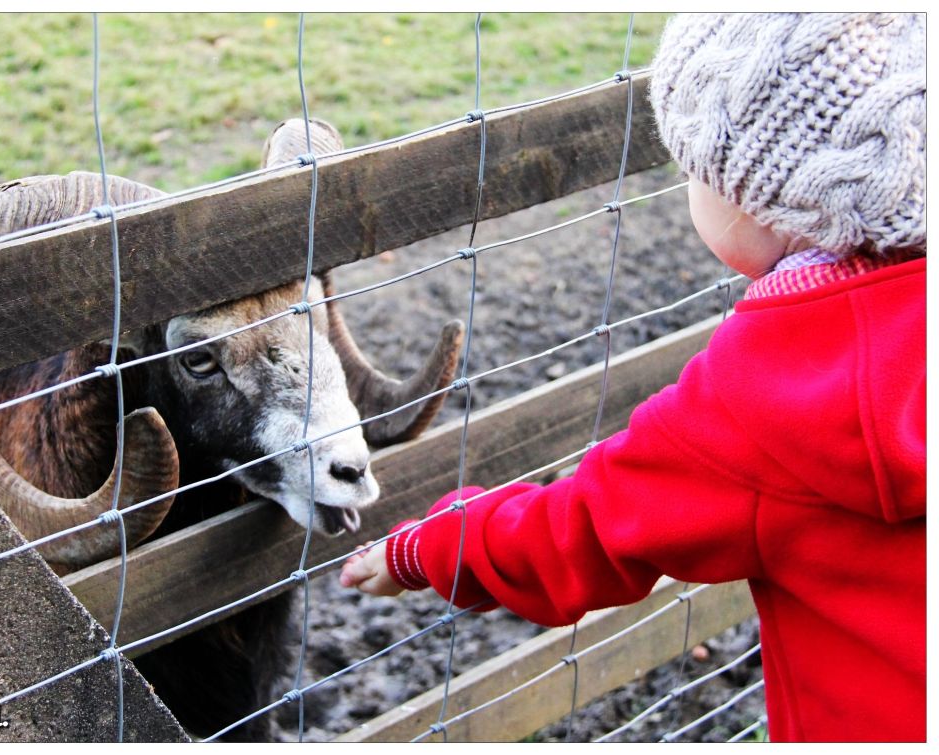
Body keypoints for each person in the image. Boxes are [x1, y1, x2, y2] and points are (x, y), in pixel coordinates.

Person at [340, 13, 925, 743]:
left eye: (694, 173)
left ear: (756, 201)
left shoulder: (763, 403)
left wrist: (426, 546)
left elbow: (574, 532)